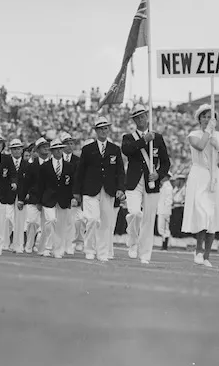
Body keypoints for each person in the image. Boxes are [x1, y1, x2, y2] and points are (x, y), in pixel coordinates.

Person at [181, 104, 219, 267]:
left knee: (213, 216)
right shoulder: (193, 135)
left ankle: (207, 256)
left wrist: (218, 146)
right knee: (202, 214)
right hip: (199, 174)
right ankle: (198, 250)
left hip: (215, 175)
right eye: (204, 116)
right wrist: (208, 132)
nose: (207, 119)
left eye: (210, 116)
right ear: (199, 118)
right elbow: (201, 146)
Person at [121, 104, 171, 265]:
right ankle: (133, 241)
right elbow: (127, 151)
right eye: (137, 117)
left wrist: (159, 174)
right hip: (134, 182)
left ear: (147, 117)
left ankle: (145, 253)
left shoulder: (158, 137)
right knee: (135, 213)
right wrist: (144, 140)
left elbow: (166, 163)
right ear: (134, 120)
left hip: (151, 182)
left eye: (143, 116)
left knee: (149, 220)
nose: (140, 119)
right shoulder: (128, 137)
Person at [73, 117, 125, 262]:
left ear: (108, 130)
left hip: (108, 190)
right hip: (90, 190)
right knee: (93, 219)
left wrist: (121, 188)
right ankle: (89, 249)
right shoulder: (88, 149)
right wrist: (76, 191)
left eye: (105, 128)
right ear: (96, 131)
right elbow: (80, 172)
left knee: (106, 222)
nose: (103, 131)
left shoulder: (115, 149)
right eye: (100, 128)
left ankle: (102, 252)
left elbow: (120, 171)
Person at [37, 139, 76, 258]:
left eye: (60, 148)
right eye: (56, 149)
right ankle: (47, 247)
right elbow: (40, 185)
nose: (58, 151)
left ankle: (58, 249)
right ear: (52, 151)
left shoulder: (69, 166)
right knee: (51, 221)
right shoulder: (44, 167)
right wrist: (39, 201)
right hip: (48, 199)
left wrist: (71, 198)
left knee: (61, 226)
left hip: (63, 199)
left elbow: (72, 184)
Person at [157, 175, 173, 251]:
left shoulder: (168, 187)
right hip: (161, 210)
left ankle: (165, 246)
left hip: (165, 210)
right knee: (161, 228)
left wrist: (167, 211)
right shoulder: (163, 186)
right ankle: (163, 245)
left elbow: (169, 200)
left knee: (165, 229)